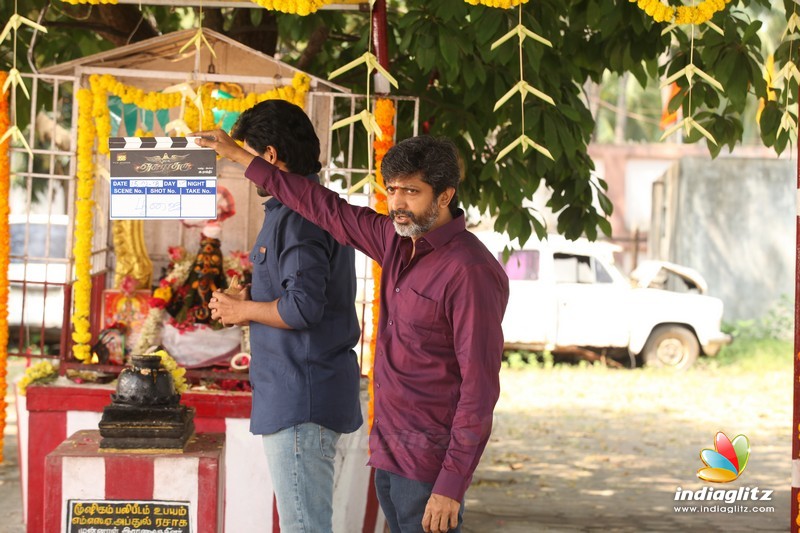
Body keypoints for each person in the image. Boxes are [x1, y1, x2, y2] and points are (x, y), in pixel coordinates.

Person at [197, 125, 509, 533]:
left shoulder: (469, 270)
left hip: (431, 462)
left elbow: (479, 388)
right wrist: (240, 157)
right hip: (390, 449)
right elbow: (323, 206)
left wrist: (451, 484)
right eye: (392, 190)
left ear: (446, 195)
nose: (397, 203)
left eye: (411, 192)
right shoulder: (396, 243)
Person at [205, 100, 362, 533]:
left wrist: (242, 310)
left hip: (302, 399)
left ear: (269, 156)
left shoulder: (299, 218)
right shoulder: (307, 209)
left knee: (304, 527)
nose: (244, 167)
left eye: (247, 155)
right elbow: (301, 290)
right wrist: (252, 295)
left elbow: (303, 307)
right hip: (304, 392)